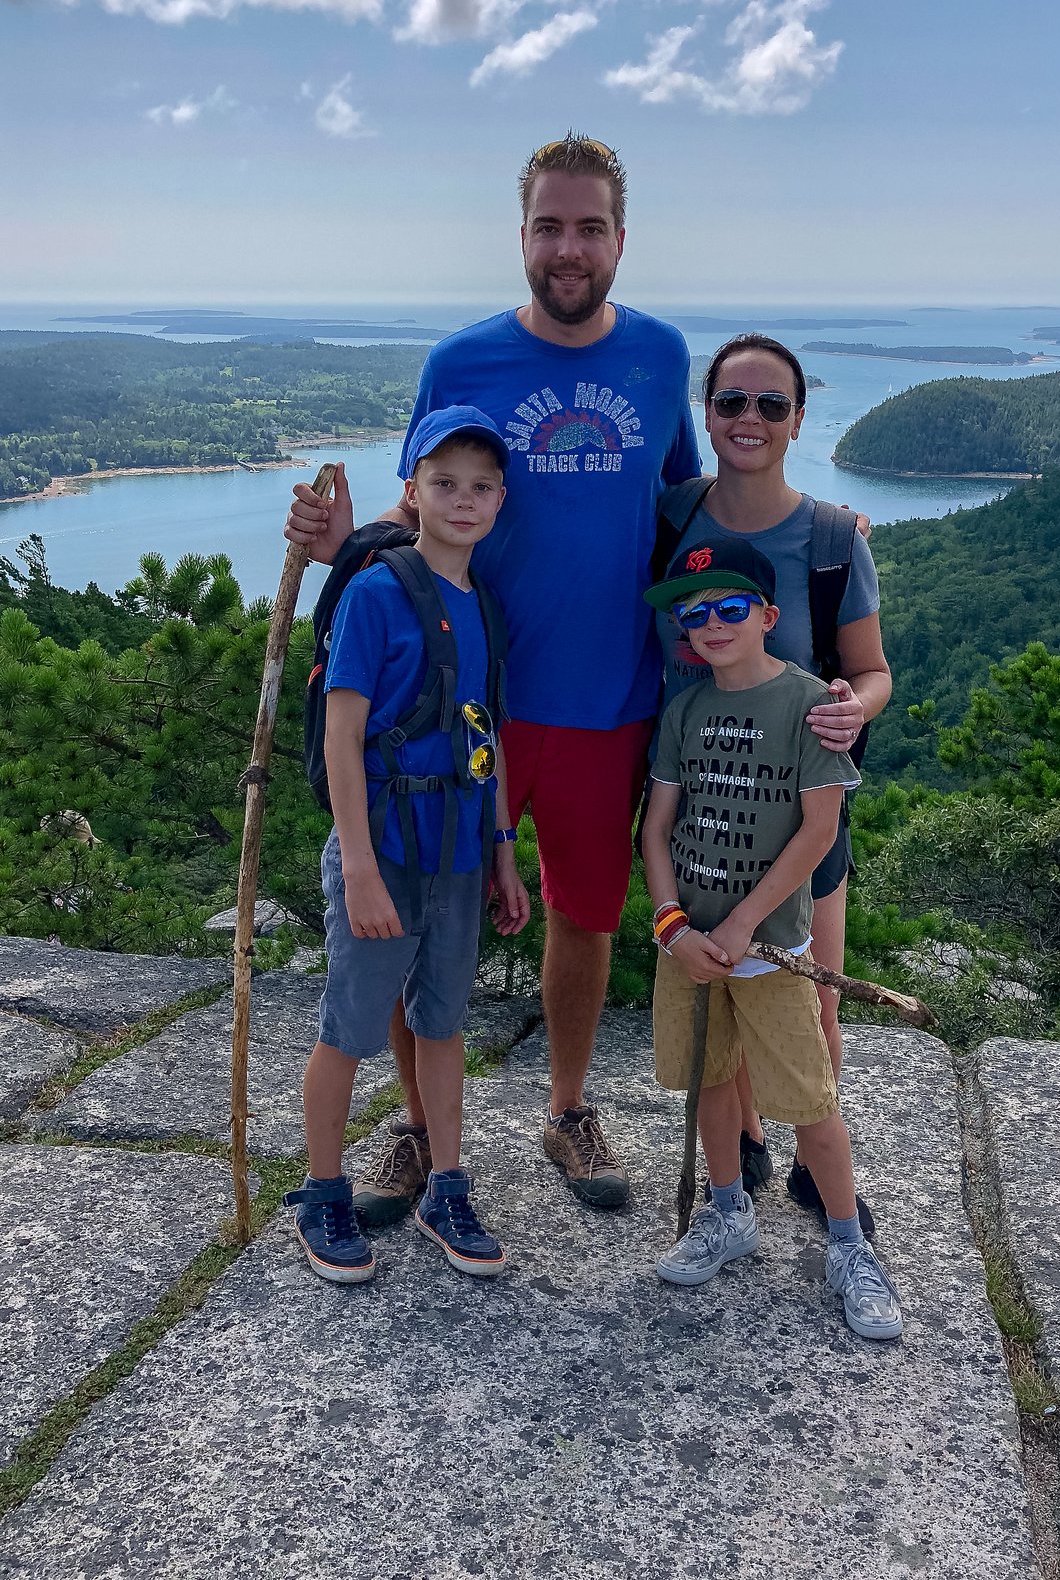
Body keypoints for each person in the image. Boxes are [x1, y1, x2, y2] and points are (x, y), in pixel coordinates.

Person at [285, 136, 866, 1219]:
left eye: (588, 227)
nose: (567, 248)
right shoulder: (460, 363)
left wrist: (810, 532)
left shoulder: (655, 354)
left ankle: (565, 1112)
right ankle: (415, 1132)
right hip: (465, 704)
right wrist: (342, 541)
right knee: (421, 906)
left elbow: (693, 505)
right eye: (548, 227)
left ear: (619, 240)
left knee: (587, 914)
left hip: (616, 699)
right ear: (520, 238)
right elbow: (421, 510)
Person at [283, 407, 529, 1284]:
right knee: (348, 1026)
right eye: (444, 483)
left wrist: (504, 851)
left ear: (500, 500)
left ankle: (447, 1186)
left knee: (445, 1023)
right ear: (413, 492)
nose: (462, 501)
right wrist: (355, 867)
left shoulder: (482, 606)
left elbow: (484, 736)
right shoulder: (375, 593)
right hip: (382, 848)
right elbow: (342, 736)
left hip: (459, 850)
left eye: (479, 487)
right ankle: (322, 1191)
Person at [651, 333, 891, 1226]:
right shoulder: (672, 515)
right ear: (706, 413)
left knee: (808, 995)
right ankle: (744, 1140)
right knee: (724, 988)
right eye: (730, 402)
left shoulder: (830, 539)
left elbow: (872, 669)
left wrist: (853, 708)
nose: (749, 419)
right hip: (700, 800)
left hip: (801, 812)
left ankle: (821, 1177)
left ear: (798, 418)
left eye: (771, 405)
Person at [640, 536, 903, 1340]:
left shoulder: (808, 705)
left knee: (809, 1098)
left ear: (768, 615)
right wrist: (672, 924)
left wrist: (746, 921)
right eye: (695, 612)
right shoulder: (684, 710)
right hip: (689, 946)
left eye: (730, 606)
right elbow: (656, 830)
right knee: (712, 1079)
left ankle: (850, 1244)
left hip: (771, 949)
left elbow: (818, 832)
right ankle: (728, 1211)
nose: (711, 623)